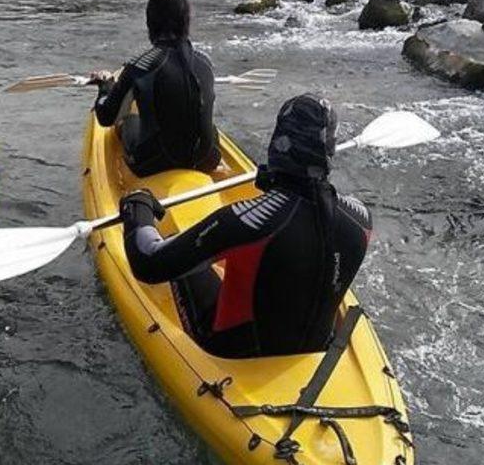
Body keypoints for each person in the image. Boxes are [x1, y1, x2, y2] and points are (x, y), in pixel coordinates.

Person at [119, 95, 372, 359]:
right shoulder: (360, 217)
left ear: (278, 142)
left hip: (234, 349)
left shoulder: (248, 221)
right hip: (318, 346)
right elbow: (306, 226)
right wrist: (278, 183)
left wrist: (138, 207)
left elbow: (148, 262)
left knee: (176, 243)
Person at [90, 0, 220, 177]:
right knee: (212, 127)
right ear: (186, 21)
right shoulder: (205, 62)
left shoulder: (140, 65)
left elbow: (106, 117)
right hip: (206, 160)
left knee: (128, 121)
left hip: (153, 164)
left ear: (150, 22)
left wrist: (105, 86)